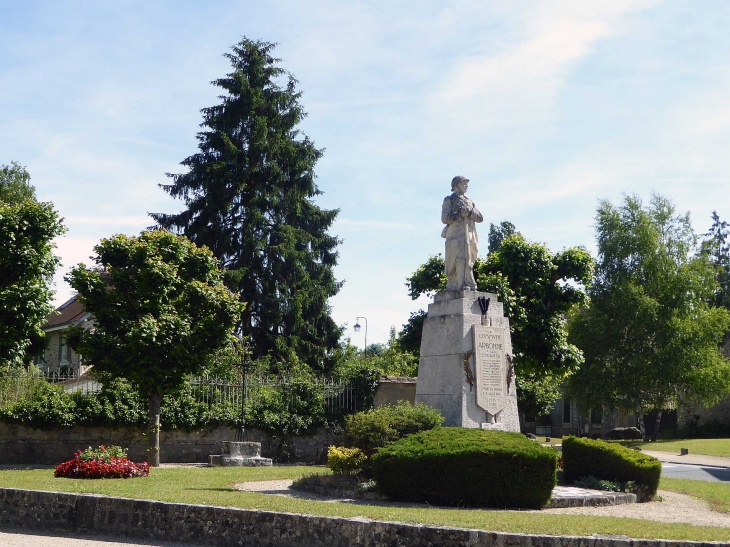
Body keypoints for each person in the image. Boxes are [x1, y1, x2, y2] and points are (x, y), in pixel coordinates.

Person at [441, 176, 483, 291]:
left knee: (469, 258)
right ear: (456, 185)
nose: (466, 186)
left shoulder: (469, 202)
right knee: (460, 258)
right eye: (463, 183)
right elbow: (445, 218)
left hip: (469, 234)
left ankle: (468, 281)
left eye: (466, 184)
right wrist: (459, 214)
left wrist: (469, 212)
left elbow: (480, 218)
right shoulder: (449, 199)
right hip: (456, 234)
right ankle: (459, 283)